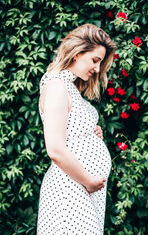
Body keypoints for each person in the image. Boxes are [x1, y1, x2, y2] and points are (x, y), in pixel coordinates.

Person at [37, 23, 116, 235]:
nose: (97, 69)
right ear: (77, 53)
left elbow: (70, 129)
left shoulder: (69, 87)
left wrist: (91, 131)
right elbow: (55, 149)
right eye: (95, 60)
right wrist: (89, 181)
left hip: (80, 191)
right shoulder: (56, 86)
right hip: (69, 192)